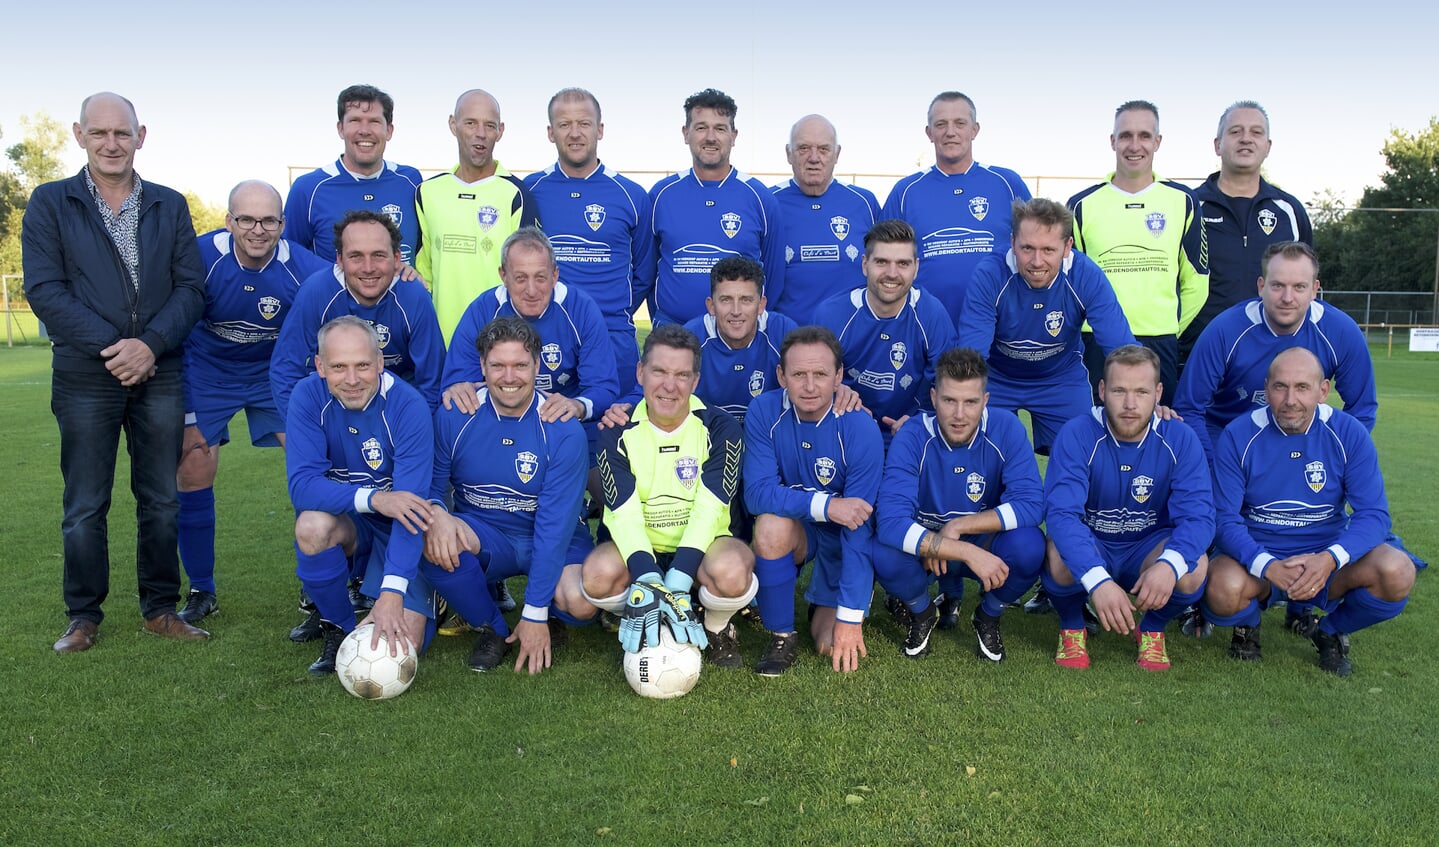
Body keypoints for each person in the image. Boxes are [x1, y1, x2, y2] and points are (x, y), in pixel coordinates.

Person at [23, 92, 209, 652]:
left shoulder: (169, 205)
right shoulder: (50, 203)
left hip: (160, 370)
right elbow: (45, 291)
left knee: (162, 499)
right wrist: (116, 348)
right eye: (99, 133)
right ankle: (83, 617)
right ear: (79, 136)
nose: (111, 143)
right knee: (85, 503)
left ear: (140, 136)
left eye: (122, 133)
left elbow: (190, 289)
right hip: (85, 374)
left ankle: (160, 608)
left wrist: (149, 346)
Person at [1174, 241, 1385, 634]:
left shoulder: (1339, 330)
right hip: (1229, 441)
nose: (1287, 297)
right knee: (1218, 517)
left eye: (1299, 287)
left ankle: (1306, 605)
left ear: (1315, 289)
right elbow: (1191, 406)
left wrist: (1337, 455)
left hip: (1306, 436)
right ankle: (1218, 605)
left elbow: (1362, 408)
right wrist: (1216, 465)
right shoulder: (1225, 330)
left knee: (1306, 519)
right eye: (1277, 286)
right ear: (1260, 285)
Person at [1201, 347, 1414, 676]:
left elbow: (1373, 515)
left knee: (1397, 571)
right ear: (1266, 387)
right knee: (1221, 586)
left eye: (1302, 387)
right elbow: (1223, 518)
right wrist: (1266, 564)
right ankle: (1248, 628)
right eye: (1280, 386)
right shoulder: (1238, 435)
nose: (1290, 399)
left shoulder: (1349, 434)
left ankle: (1330, 631)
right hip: (1260, 562)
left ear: (1323, 391)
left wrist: (1329, 558)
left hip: (1325, 558)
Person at [177, 180, 329, 624]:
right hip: (208, 370)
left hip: (275, 371)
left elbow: (347, 296)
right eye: (246, 219)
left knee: (311, 466)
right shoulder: (198, 257)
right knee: (193, 464)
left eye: (268, 221)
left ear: (283, 225)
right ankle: (202, 588)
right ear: (229, 221)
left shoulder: (308, 269)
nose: (257, 229)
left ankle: (316, 587)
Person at [422, 317, 597, 675]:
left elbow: (553, 528)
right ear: (482, 367)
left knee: (580, 601)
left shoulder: (562, 428)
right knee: (431, 536)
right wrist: (439, 514)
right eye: (497, 365)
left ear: (537, 365)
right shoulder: (456, 414)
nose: (509, 376)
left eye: (520, 365)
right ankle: (492, 628)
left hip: (548, 539)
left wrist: (532, 614)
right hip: (487, 534)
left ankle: (548, 613)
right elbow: (433, 485)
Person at [579, 324, 757, 668]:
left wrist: (677, 580)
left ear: (695, 381)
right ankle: (643, 609)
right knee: (596, 575)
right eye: (659, 371)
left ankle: (717, 627)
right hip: (641, 546)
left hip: (705, 548)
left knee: (734, 570)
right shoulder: (615, 430)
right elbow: (623, 513)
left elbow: (710, 509)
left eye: (681, 374)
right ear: (640, 372)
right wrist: (647, 577)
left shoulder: (721, 428)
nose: (670, 385)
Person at [1041, 345, 1213, 671]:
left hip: (1146, 548)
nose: (1131, 404)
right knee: (1057, 551)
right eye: (1120, 391)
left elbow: (1200, 516)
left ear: (1158, 393)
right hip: (1095, 542)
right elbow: (1062, 515)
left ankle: (1152, 628)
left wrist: (1169, 566)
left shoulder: (1179, 437)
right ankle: (1072, 625)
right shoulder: (1076, 434)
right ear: (1102, 390)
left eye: (1142, 392)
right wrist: (1097, 581)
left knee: (1193, 567)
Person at [285, 317, 436, 675]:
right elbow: (303, 486)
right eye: (338, 367)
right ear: (321, 366)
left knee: (407, 643)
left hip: (403, 533)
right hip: (356, 525)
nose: (351, 380)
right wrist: (376, 499)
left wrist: (393, 594)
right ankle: (337, 627)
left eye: (362, 366)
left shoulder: (408, 406)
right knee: (311, 526)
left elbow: (411, 511)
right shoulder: (307, 396)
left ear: (380, 363)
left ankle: (410, 591)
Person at [873, 348, 1046, 661]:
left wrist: (959, 527)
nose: (959, 414)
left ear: (986, 400)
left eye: (971, 402)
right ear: (934, 397)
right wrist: (957, 548)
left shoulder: (1006, 428)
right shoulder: (912, 436)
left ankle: (988, 615)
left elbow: (1032, 503)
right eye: (950, 400)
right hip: (930, 549)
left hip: (980, 537)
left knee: (1030, 545)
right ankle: (923, 612)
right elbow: (890, 523)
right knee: (884, 553)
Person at [744, 326, 885, 675]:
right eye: (799, 374)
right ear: (781, 375)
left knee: (827, 643)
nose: (809, 386)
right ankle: (781, 634)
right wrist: (826, 506)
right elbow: (757, 493)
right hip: (801, 528)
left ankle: (833, 601)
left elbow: (859, 524)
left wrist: (850, 618)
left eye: (821, 374)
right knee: (769, 524)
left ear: (839, 376)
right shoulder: (763, 411)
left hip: (842, 539)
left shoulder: (859, 427)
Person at [959, 198, 1136, 455]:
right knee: (979, 453)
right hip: (997, 378)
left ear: (1067, 247)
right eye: (1027, 248)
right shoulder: (990, 274)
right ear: (1012, 243)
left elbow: (1122, 349)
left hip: (1060, 378)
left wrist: (1149, 397)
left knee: (1081, 453)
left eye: (1048, 250)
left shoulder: (1085, 275)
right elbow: (971, 356)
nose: (1037, 261)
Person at [1068, 100, 1208, 406]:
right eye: (1126, 135)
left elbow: (1197, 280)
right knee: (1097, 432)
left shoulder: (1183, 200)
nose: (1135, 145)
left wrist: (1169, 327)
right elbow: (1069, 284)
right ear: (1112, 141)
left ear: (1157, 142)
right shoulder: (1081, 205)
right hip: (1097, 342)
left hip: (1160, 339)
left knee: (1157, 434)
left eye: (1144, 135)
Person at [523, 88, 653, 388]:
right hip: (545, 336)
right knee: (548, 425)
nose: (575, 133)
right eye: (564, 124)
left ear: (600, 129)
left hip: (612, 337)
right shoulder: (531, 190)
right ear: (550, 132)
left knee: (612, 425)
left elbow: (644, 273)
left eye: (584, 123)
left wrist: (605, 312)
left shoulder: (631, 195)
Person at [270, 210, 445, 423]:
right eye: (356, 256)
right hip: (333, 404)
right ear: (340, 260)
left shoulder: (414, 296)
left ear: (397, 258)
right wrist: (304, 428)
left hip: (394, 406)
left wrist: (413, 430)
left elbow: (431, 380)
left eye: (379, 255)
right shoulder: (316, 292)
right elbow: (286, 368)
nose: (368, 268)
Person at [881, 92, 1032, 320]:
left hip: (1001, 324)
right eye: (941, 124)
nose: (950, 132)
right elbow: (882, 259)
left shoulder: (1007, 183)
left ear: (975, 129)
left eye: (960, 123)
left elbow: (1037, 246)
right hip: (927, 324)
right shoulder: (906, 191)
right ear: (929, 133)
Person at [1182, 101, 1312, 360]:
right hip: (1198, 356)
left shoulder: (1289, 210)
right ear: (1217, 144)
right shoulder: (1189, 207)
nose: (1245, 139)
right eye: (1235, 131)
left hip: (1274, 358)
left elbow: (1306, 284)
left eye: (1256, 132)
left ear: (1268, 146)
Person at [647, 88, 785, 326]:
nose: (710, 137)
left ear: (734, 135)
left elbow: (773, 276)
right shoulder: (661, 195)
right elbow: (646, 272)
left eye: (720, 128)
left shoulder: (760, 197)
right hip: (673, 332)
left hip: (735, 337)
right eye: (701, 127)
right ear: (686, 133)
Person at [813, 219, 957, 444]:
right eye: (881, 262)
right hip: (845, 430)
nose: (892, 273)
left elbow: (950, 383)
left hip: (913, 434)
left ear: (916, 267)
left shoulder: (932, 315)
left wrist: (920, 419)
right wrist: (835, 390)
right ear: (864, 264)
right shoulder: (832, 315)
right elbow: (811, 378)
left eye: (902, 263)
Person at [415, 89, 539, 342]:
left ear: (500, 131)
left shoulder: (515, 194)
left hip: (500, 347)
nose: (480, 133)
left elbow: (530, 278)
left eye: (489, 125)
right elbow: (422, 275)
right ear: (453, 124)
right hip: (441, 343)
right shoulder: (427, 193)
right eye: (471, 123)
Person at [284, 84, 423, 264]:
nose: (364, 130)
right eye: (355, 120)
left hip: (400, 293)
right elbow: (290, 257)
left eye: (374, 121)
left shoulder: (411, 181)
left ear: (389, 131)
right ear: (340, 128)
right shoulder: (308, 189)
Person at [771, 115, 878, 324]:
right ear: (788, 153)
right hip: (790, 342)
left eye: (823, 149)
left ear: (836, 154)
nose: (813, 158)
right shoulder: (768, 203)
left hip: (854, 340)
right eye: (803, 148)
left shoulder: (865, 202)